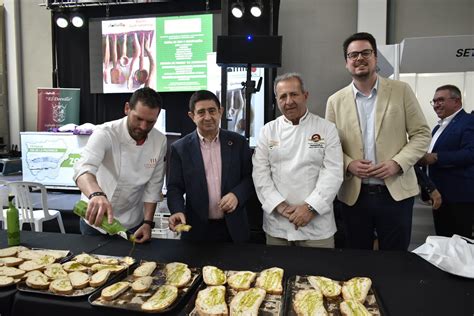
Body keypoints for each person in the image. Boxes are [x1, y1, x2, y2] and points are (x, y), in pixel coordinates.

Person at [325, 32, 431, 250]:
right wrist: (348, 164)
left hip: (396, 195)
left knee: (396, 259)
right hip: (355, 196)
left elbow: (421, 134)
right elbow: (328, 146)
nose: (359, 58)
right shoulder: (335, 101)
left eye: (365, 53)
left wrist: (397, 163)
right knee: (358, 258)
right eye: (353, 55)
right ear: (346, 62)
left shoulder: (401, 91)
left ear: (376, 58)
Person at [252, 73, 343, 248]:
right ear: (277, 100)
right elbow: (260, 173)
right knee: (276, 274)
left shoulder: (326, 129)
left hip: (316, 226)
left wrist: (310, 208)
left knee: (319, 275)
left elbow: (333, 173)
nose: (288, 101)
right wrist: (280, 206)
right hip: (278, 224)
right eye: (283, 96)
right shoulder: (267, 131)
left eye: (294, 94)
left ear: (305, 95)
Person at [73, 87, 167, 243]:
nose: (143, 127)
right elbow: (83, 169)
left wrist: (148, 223)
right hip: (96, 221)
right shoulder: (105, 133)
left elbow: (153, 186)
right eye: (138, 119)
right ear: (127, 108)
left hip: (132, 222)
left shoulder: (159, 141)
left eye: (150, 122)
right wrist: (96, 194)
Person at [167, 90, 253, 243]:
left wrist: (237, 195)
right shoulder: (180, 149)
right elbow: (174, 188)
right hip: (197, 230)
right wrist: (177, 210)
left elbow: (250, 178)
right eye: (201, 112)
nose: (208, 117)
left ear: (220, 112)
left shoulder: (238, 143)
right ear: (192, 116)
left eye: (212, 110)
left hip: (234, 229)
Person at [418, 84, 474, 238]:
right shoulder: (437, 128)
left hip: (460, 197)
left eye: (441, 100)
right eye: (434, 101)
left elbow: (470, 153)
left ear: (457, 101)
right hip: (439, 196)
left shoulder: (469, 121)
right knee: (443, 242)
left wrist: (436, 157)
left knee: (460, 244)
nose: (436, 105)